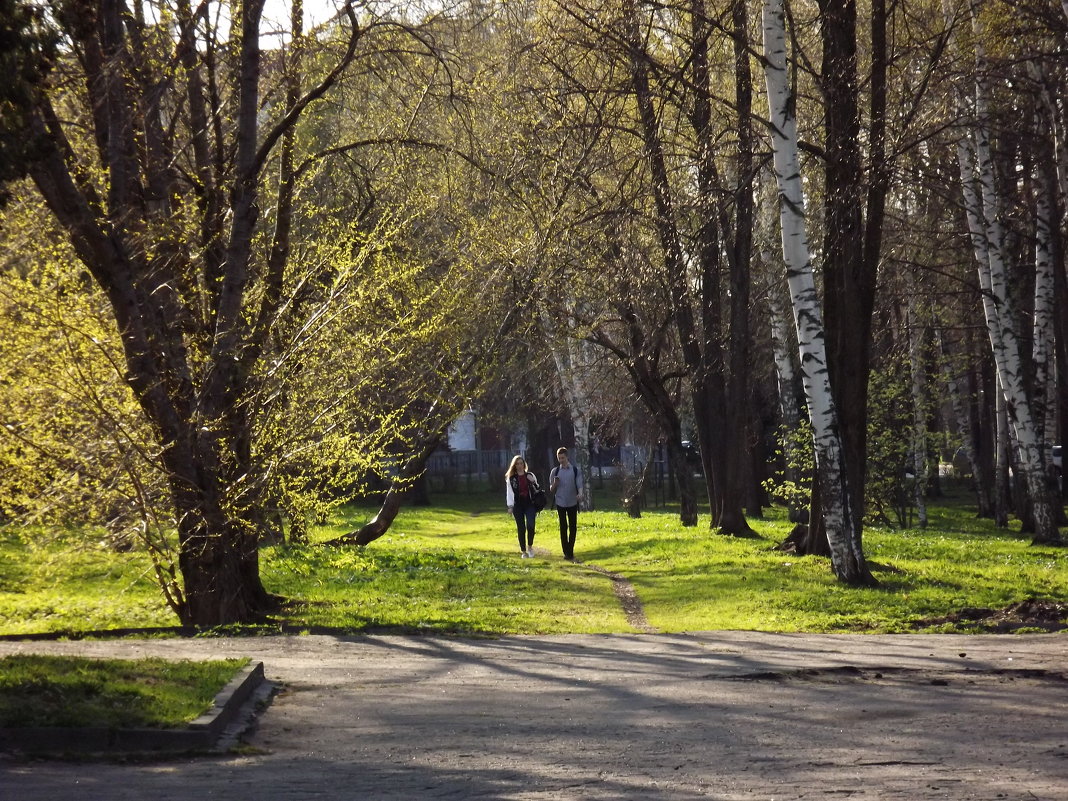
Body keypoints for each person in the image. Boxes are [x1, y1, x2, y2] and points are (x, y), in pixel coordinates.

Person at [549, 447, 583, 560]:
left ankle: (570, 550)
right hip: (560, 502)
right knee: (563, 527)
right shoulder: (555, 471)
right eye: (559, 458)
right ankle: (566, 552)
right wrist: (555, 483)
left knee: (573, 527)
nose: (561, 460)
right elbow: (551, 489)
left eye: (562, 458)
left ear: (567, 457)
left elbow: (579, 485)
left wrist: (580, 494)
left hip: (572, 502)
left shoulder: (575, 470)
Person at [505, 455, 540, 558]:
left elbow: (537, 489)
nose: (520, 466)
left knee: (531, 525)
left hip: (529, 503)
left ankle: (530, 546)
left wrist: (532, 481)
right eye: (517, 464)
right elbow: (509, 493)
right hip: (517, 505)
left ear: (524, 465)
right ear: (514, 466)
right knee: (521, 528)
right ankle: (523, 551)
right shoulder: (511, 479)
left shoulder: (530, 475)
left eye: (521, 463)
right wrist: (510, 506)